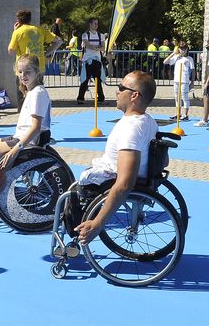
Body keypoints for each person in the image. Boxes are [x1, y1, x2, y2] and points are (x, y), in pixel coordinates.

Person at [72, 71, 158, 244]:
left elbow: (125, 183)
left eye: (121, 88)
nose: (117, 92)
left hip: (113, 181)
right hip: (138, 178)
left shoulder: (131, 129)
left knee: (67, 198)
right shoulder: (149, 121)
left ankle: (75, 234)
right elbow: (164, 161)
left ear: (134, 95)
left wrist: (98, 223)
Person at [0, 53, 50, 165]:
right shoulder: (31, 91)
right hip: (18, 137)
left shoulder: (38, 93)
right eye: (20, 72)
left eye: (28, 72)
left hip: (24, 142)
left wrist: (16, 149)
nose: (23, 75)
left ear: (37, 72)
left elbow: (36, 128)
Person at [7, 9, 61, 74]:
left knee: (23, 84)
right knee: (38, 84)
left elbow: (11, 51)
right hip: (39, 68)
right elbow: (59, 41)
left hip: (24, 69)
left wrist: (15, 31)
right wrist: (46, 53)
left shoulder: (18, 32)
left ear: (18, 21)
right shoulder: (40, 30)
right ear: (30, 19)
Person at [76, 18, 106, 105]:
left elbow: (103, 47)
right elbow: (87, 45)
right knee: (85, 80)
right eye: (94, 23)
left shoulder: (101, 35)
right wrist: (97, 48)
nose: (96, 25)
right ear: (90, 24)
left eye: (97, 24)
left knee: (98, 80)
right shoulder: (85, 35)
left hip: (97, 60)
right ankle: (80, 98)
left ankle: (101, 98)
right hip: (87, 61)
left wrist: (97, 48)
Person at [164, 40, 194, 121]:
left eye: (184, 49)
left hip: (184, 80)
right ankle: (178, 113)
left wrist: (192, 82)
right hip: (176, 80)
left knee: (185, 97)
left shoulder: (189, 59)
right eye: (181, 49)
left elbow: (192, 70)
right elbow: (165, 62)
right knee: (177, 98)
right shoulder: (176, 57)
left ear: (187, 49)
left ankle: (186, 114)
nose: (182, 50)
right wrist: (174, 53)